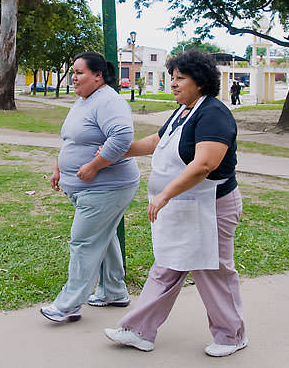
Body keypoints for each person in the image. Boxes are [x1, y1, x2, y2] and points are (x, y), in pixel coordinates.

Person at [103, 50, 248, 357]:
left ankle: (231, 335)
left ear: (201, 81)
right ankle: (139, 331)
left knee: (214, 272)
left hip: (213, 207)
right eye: (172, 78)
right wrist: (118, 151)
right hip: (185, 207)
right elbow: (158, 141)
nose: (173, 84)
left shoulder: (214, 115)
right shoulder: (183, 111)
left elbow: (204, 165)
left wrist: (166, 194)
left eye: (180, 78)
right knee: (167, 265)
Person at [40, 52, 140, 323]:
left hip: (107, 186)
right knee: (103, 237)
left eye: (80, 72)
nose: (74, 77)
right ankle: (113, 291)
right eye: (73, 72)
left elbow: (121, 137)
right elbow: (71, 139)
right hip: (86, 187)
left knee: (83, 241)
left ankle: (68, 304)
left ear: (98, 76)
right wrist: (59, 168)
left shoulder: (109, 101)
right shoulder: (84, 101)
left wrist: (95, 165)